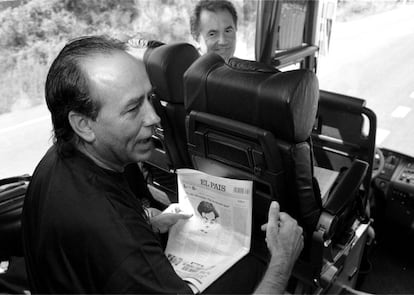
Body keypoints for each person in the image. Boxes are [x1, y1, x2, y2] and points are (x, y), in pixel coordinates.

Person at [21, 35, 303, 294]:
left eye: (150, 98)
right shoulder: (120, 240)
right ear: (83, 124)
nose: (154, 117)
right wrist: (282, 260)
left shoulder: (57, 160)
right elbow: (114, 239)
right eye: (133, 108)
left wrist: (148, 222)